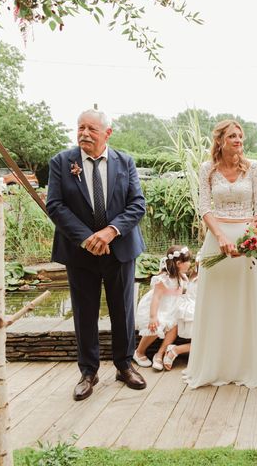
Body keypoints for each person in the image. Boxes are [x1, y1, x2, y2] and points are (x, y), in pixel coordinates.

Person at [46, 109, 147, 401]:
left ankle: (124, 365)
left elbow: (137, 204)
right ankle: (88, 372)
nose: (84, 134)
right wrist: (88, 238)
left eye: (91, 128)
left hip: (120, 249)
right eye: (80, 128)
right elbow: (55, 205)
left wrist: (110, 231)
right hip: (80, 253)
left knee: (123, 310)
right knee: (84, 312)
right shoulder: (62, 162)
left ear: (107, 133)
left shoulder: (125, 162)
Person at [183, 120, 257, 389]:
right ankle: (216, 365)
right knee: (218, 303)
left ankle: (247, 365)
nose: (238, 140)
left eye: (240, 136)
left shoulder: (255, 168)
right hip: (218, 240)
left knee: (246, 301)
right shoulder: (207, 169)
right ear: (220, 141)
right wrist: (221, 237)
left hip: (249, 243)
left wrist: (252, 240)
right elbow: (204, 206)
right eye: (232, 136)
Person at [133, 245, 191, 371]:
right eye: (188, 261)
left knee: (175, 324)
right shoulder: (163, 279)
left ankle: (160, 353)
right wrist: (153, 317)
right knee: (157, 325)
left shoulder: (182, 277)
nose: (190, 264)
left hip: (171, 308)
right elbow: (156, 299)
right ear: (179, 263)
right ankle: (139, 352)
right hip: (157, 308)